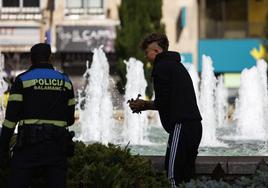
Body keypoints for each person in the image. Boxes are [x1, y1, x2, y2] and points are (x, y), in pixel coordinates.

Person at [128, 33, 202, 187]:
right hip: (194, 126)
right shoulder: (175, 64)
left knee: (172, 176)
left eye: (147, 52)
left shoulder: (161, 66)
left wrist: (143, 105)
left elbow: (163, 102)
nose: (146, 56)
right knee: (187, 176)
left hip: (182, 126)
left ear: (156, 51)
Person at [0, 43, 75, 188]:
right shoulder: (65, 81)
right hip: (57, 147)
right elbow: (70, 119)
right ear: (50, 58)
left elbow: (10, 120)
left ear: (31, 59)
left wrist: (2, 148)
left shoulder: (22, 80)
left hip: (28, 147)